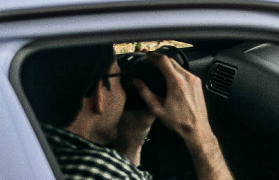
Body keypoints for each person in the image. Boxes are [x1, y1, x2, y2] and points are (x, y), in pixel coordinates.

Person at [22, 44, 234, 180]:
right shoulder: (95, 168)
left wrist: (130, 141)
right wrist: (200, 134)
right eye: (118, 78)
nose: (124, 89)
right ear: (99, 94)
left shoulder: (34, 148)